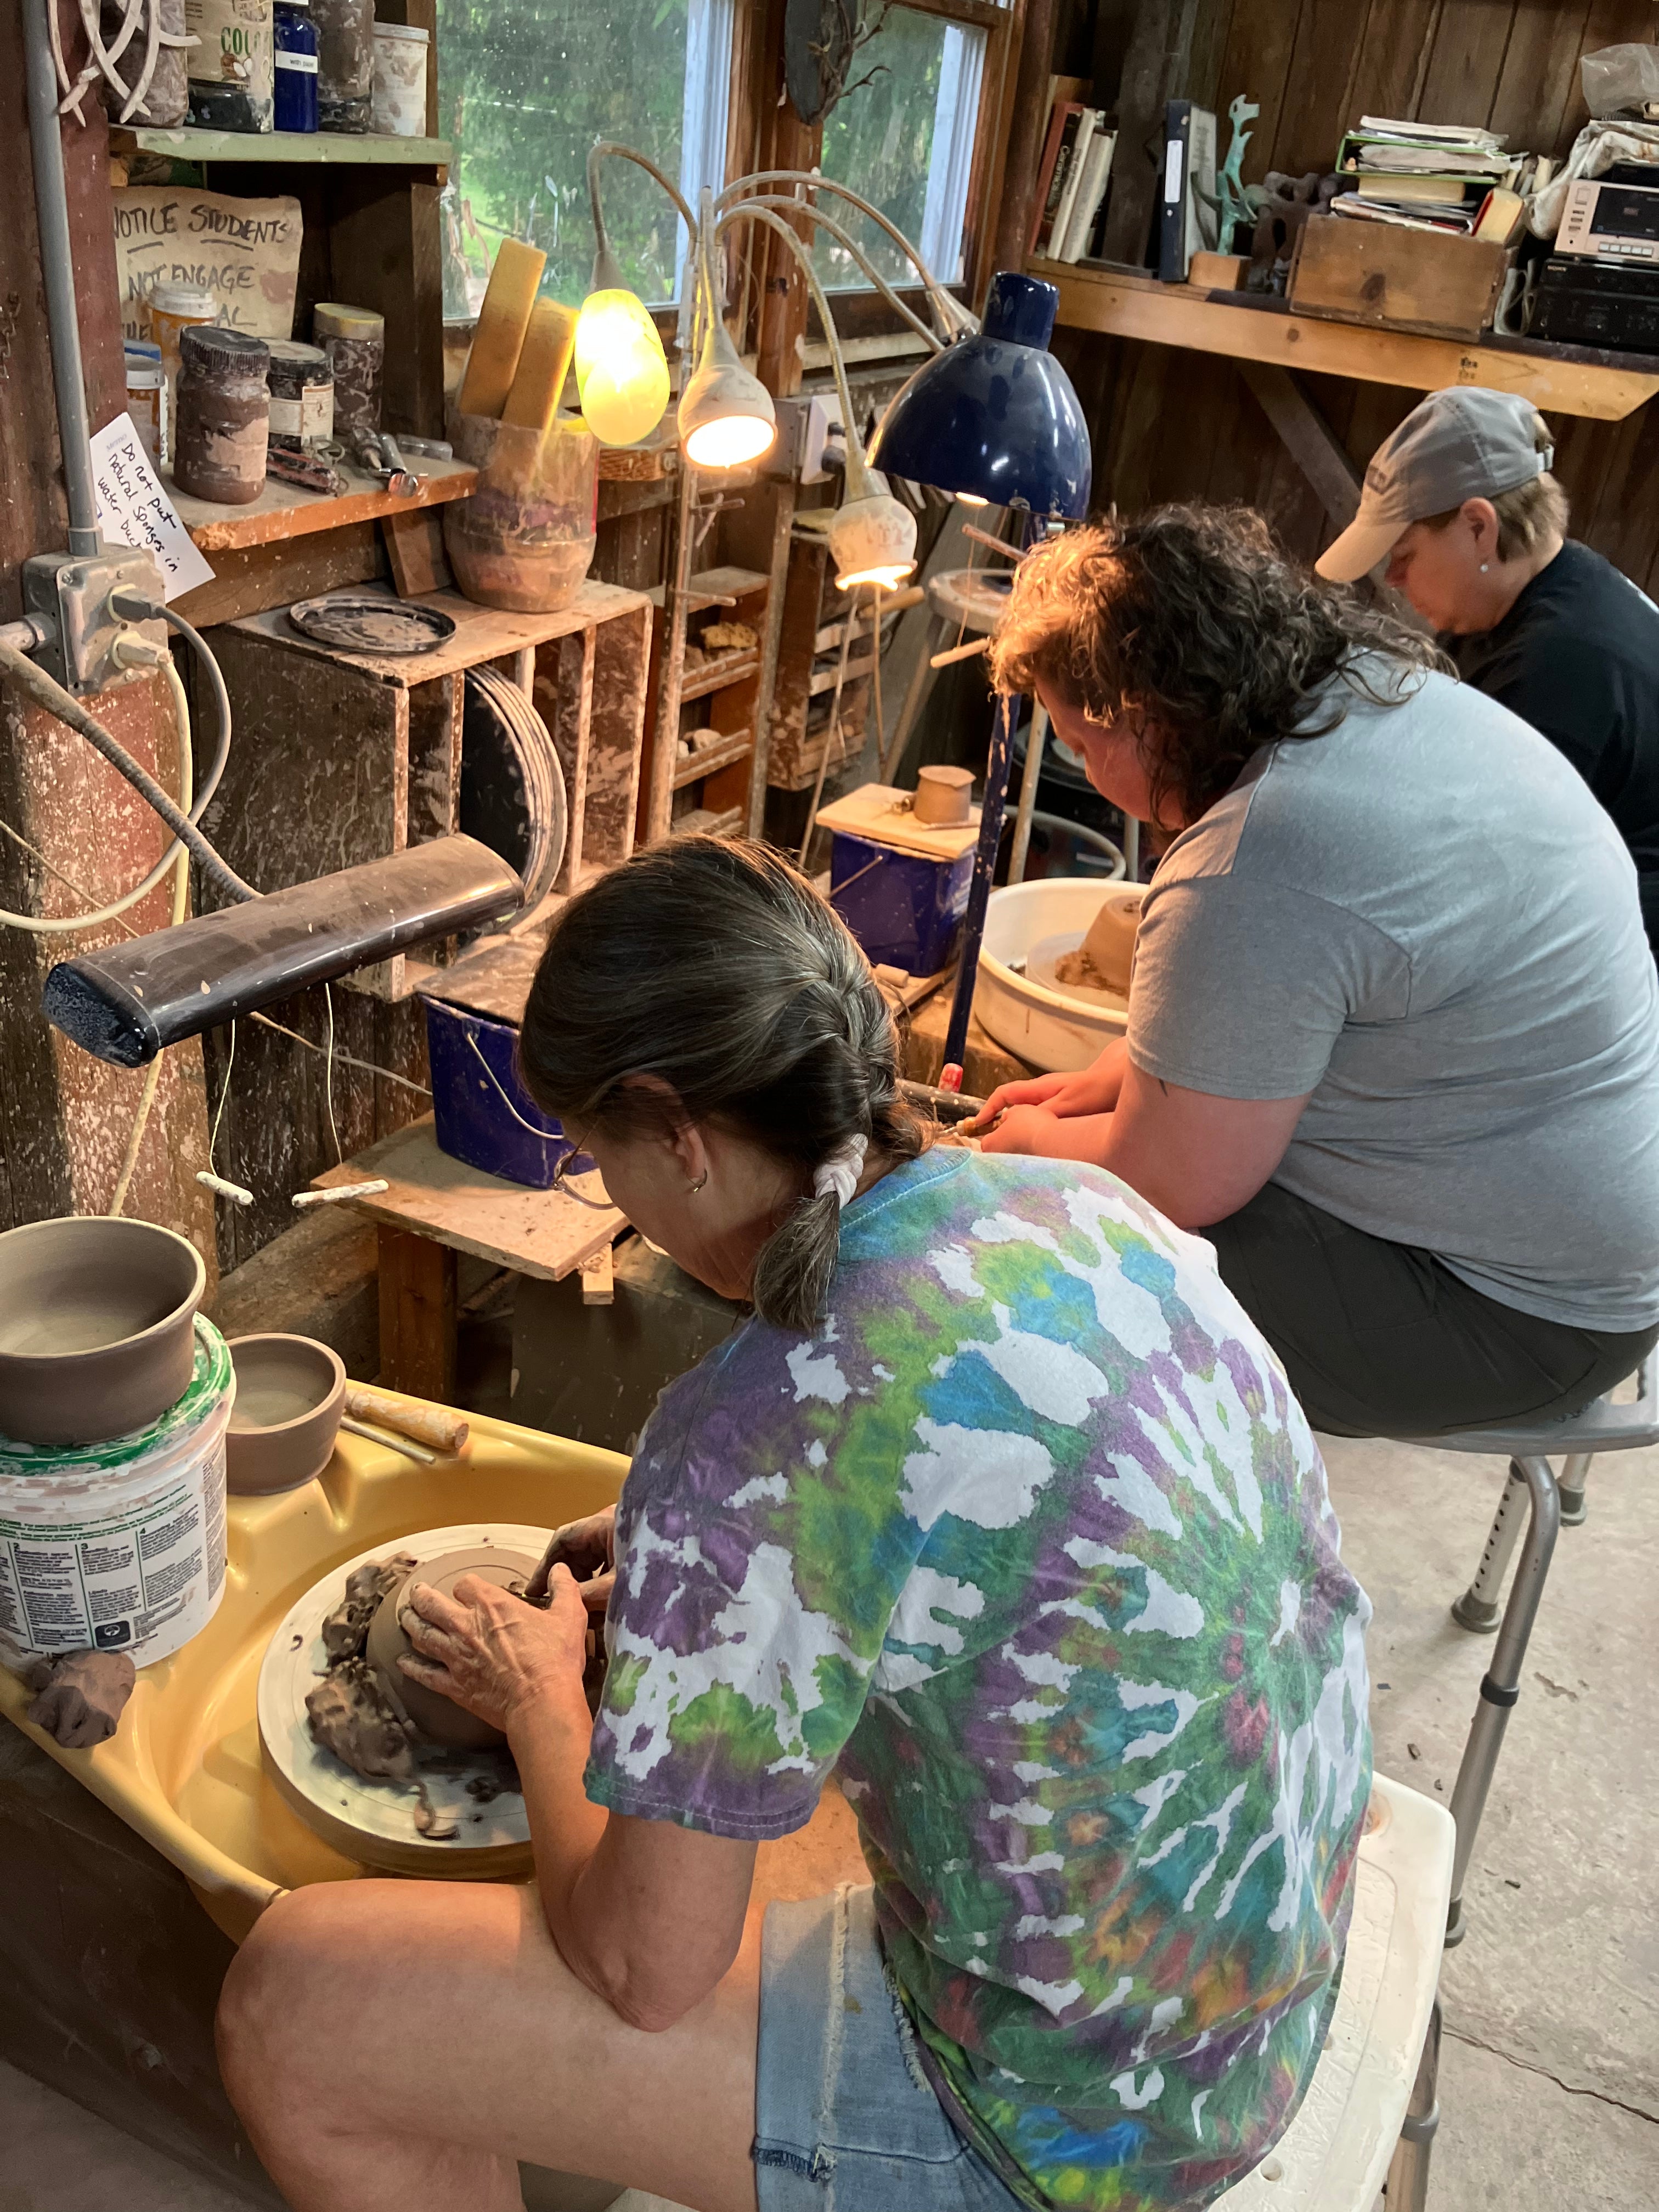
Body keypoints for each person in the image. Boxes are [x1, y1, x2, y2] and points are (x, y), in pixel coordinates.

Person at [216, 837, 1373, 2212]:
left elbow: (642, 1971)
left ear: (679, 1137)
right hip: (1254, 1995)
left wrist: (539, 1704)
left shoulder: (751, 1443)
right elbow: (958, 1486)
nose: (609, 1200)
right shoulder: (1078, 1203)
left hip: (1071, 2130)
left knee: (292, 2005)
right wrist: (695, 1558)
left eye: (595, 1160)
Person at [971, 504, 1659, 1440]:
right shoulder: (1386, 695)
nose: (1087, 774)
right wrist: (1113, 1082)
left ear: (1146, 715)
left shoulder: (1255, 854)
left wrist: (1024, 1150)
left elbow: (1173, 1179)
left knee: (1057, 1241)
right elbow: (1291, 992)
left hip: (1522, 1315)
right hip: (1595, 1239)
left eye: (1084, 747)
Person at [1315, 385, 1659, 952]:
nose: (1393, 581)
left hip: (1618, 957)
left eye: (1403, 556)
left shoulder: (1561, 669)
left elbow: (1464, 877)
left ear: (1479, 527)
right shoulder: (1536, 588)